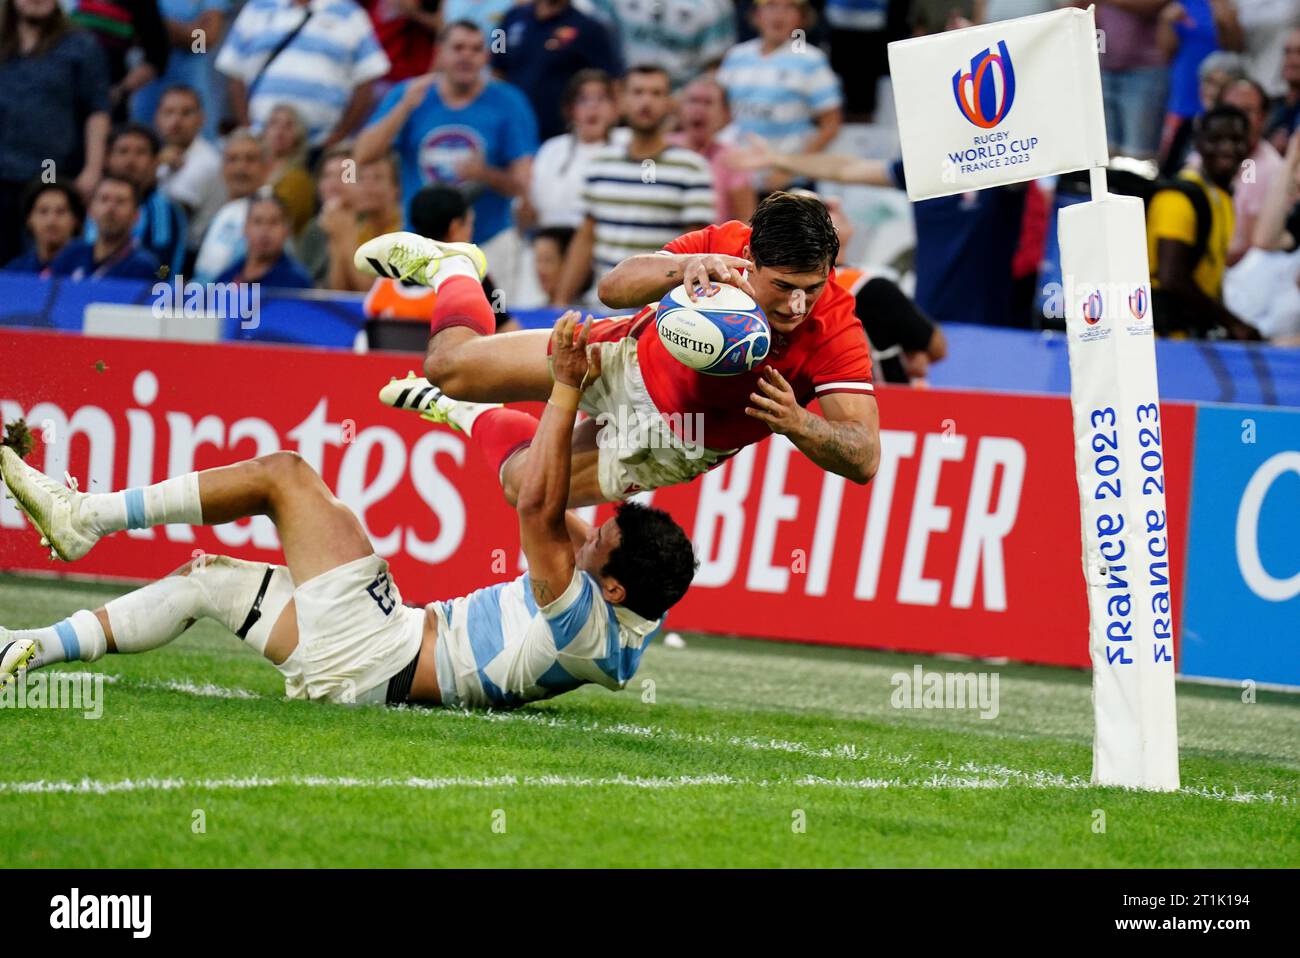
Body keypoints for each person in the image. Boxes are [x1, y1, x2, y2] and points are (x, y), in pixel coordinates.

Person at [0, 313, 699, 710]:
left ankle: (85, 516)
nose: (586, 535)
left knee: (286, 475)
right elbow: (543, 491)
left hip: (384, 650)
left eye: (596, 543)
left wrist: (566, 389)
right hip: (373, 668)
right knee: (203, 579)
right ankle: (30, 645)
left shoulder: (580, 620)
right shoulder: (637, 602)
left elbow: (539, 499)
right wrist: (453, 410)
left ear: (610, 586)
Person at [357, 190, 880, 505]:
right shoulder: (723, 243)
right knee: (448, 364)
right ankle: (453, 266)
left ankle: (464, 415)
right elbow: (612, 288)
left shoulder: (836, 328)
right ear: (750, 257)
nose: (796, 305)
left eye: (811, 288)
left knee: (523, 488)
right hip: (619, 356)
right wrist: (680, 271)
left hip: (674, 440)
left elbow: (865, 458)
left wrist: (798, 421)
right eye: (782, 286)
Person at [731, 139, 1026, 329]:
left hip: (992, 322)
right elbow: (848, 169)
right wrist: (778, 158)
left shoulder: (1003, 163)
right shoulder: (927, 168)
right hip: (933, 313)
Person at [357, 18, 538, 291]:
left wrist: (484, 174)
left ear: (486, 56)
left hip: (489, 243)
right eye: (458, 48)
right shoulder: (409, 94)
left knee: (490, 328)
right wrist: (405, 107)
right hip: (418, 244)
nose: (467, 56)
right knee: (415, 328)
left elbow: (523, 185)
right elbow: (362, 155)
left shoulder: (509, 102)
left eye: (476, 49)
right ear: (439, 53)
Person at [551, 64, 716, 306]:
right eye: (638, 92)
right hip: (602, 307)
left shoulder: (692, 168)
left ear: (669, 102)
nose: (646, 102)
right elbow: (585, 239)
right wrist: (560, 302)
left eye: (656, 93)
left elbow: (696, 247)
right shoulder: (599, 164)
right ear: (622, 100)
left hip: (661, 312)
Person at [0, 0, 111, 266]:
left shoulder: (81, 44)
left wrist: (93, 169)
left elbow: (97, 109)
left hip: (53, 175)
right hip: (2, 172)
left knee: (51, 261)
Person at [1148, 104, 1260, 339]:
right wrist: (1232, 322)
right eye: (1216, 139)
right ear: (1198, 143)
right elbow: (1171, 277)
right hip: (1161, 337)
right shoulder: (1178, 198)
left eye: (1236, 139)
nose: (1228, 148)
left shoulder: (1222, 197)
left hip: (1191, 337)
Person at [216, 0, 391, 149]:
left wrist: (340, 135)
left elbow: (366, 80)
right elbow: (235, 74)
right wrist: (249, 129)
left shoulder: (350, 14)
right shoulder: (256, 9)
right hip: (262, 145)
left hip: (321, 146)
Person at [717, 0, 842, 191]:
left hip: (789, 184)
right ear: (756, 14)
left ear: (801, 17)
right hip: (739, 180)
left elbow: (831, 124)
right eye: (771, 5)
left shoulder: (811, 60)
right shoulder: (736, 56)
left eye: (789, 7)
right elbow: (721, 114)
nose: (779, 14)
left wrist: (789, 172)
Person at [361, 183, 516, 331]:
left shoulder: (387, 274)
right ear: (454, 228)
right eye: (469, 224)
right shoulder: (470, 276)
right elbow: (508, 332)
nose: (471, 232)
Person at [492, 0, 623, 143]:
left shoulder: (590, 29)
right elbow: (496, 67)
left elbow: (612, 81)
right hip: (512, 133)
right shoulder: (510, 18)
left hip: (560, 135)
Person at [518, 68, 618, 232]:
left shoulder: (627, 145)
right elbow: (528, 213)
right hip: (549, 243)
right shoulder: (552, 149)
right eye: (583, 100)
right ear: (571, 109)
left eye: (601, 99)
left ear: (615, 108)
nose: (592, 107)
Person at [1158, 0, 1244, 176]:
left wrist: (1224, 19)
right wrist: (1166, 21)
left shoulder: (1228, 5)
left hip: (1219, 94)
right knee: (1170, 167)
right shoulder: (1183, 3)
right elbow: (1165, 53)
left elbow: (1236, 47)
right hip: (1183, 97)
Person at [91, 122, 188, 276]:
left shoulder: (166, 211)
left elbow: (166, 266)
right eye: (123, 151)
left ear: (156, 161)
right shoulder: (93, 203)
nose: (130, 161)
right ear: (107, 159)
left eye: (141, 152)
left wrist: (155, 283)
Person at [129, 0, 229, 141]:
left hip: (194, 88)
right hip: (145, 90)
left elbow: (204, 42)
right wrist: (189, 31)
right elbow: (126, 33)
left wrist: (157, 27)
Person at [584, 0, 734, 92]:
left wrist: (684, 102)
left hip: (682, 103)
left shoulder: (715, 4)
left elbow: (715, 67)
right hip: (626, 99)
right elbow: (597, 45)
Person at [667, 75, 757, 225]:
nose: (699, 109)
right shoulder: (662, 147)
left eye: (708, 103)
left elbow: (746, 221)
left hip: (710, 246)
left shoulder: (732, 159)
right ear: (679, 108)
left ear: (725, 114)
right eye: (693, 101)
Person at [69, 0, 170, 122]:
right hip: (59, 101)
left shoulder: (140, 4)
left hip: (109, 105)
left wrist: (121, 90)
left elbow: (157, 56)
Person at [154, 84, 225, 253]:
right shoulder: (161, 155)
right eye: (169, 112)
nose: (176, 121)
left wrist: (151, 168)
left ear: (202, 119)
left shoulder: (205, 162)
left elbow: (168, 221)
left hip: (188, 256)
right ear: (157, 118)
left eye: (186, 113)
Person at [193, 128, 271, 282]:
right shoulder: (222, 212)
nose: (240, 167)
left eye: (250, 159)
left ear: (266, 168)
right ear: (222, 167)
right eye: (232, 159)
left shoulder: (271, 215)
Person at [47, 176, 161, 281]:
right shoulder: (71, 253)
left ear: (136, 215)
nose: (110, 208)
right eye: (104, 199)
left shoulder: (143, 265)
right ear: (90, 210)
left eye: (120, 201)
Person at [214, 193, 313, 288]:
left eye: (273, 222)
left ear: (286, 230)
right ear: (245, 229)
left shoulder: (296, 282)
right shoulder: (227, 277)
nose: (264, 230)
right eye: (258, 222)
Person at [2, 181, 84, 272]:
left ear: (75, 219)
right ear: (29, 220)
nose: (51, 220)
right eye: (43, 211)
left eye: (60, 211)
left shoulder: (92, 269)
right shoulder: (14, 272)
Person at [262, 103, 317, 235]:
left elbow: (280, 220)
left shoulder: (299, 180)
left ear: (298, 136)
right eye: (274, 123)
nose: (279, 132)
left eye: (288, 126)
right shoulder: (254, 167)